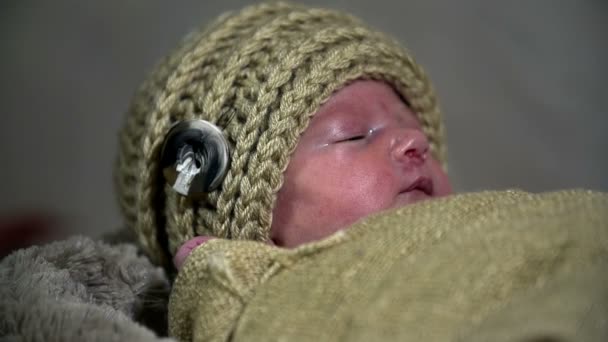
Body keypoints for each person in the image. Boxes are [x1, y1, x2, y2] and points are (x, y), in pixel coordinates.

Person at [1, 2, 606, 341]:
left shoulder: (496, 215)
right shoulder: (266, 284)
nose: (413, 140)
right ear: (236, 210)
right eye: (353, 134)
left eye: (410, 125)